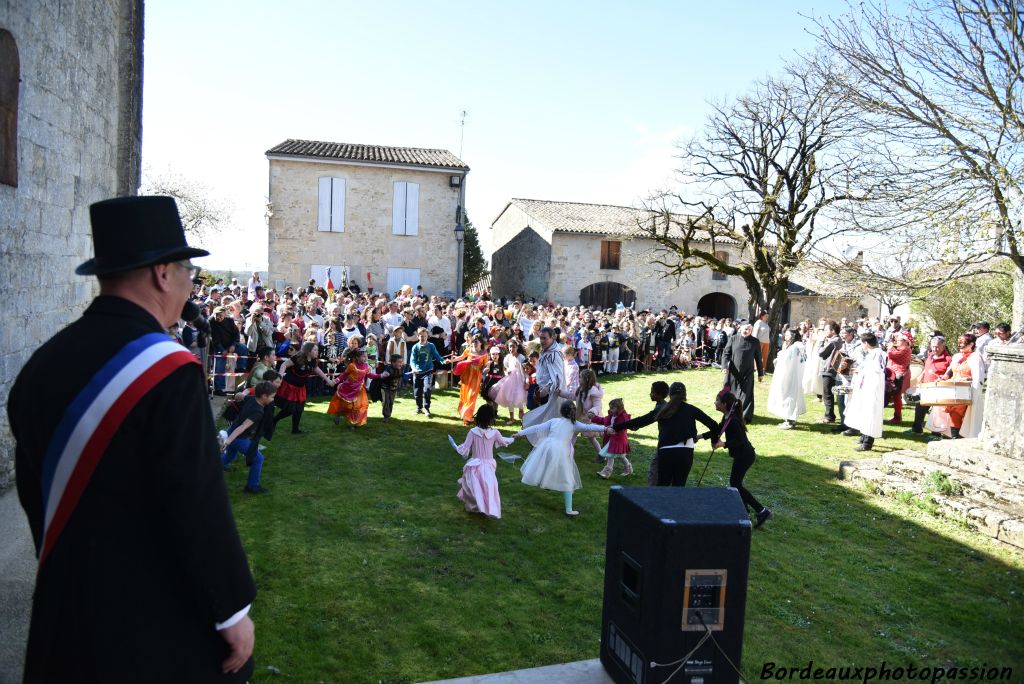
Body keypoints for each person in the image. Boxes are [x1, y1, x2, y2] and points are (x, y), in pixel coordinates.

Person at [8, 196, 256, 681]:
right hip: (147, 623)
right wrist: (230, 611)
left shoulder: (40, 365)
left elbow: (36, 497)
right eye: (189, 272)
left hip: (64, 612)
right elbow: (196, 500)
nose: (191, 286)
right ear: (163, 272)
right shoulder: (168, 370)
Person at [513, 401, 608, 516]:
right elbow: (589, 426)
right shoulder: (575, 424)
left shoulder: (554, 421)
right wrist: (605, 429)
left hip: (547, 447)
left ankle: (546, 483)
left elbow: (537, 427)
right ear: (574, 412)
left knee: (545, 467)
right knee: (567, 478)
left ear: (561, 411)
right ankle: (569, 510)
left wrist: (520, 433)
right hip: (561, 450)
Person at [614, 382, 718, 486]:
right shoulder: (691, 409)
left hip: (666, 451)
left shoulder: (663, 409)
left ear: (670, 394)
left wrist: (616, 427)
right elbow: (714, 426)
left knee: (663, 487)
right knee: (679, 486)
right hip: (685, 451)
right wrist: (713, 440)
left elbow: (641, 420)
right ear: (684, 395)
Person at [700, 391, 772, 527]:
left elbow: (740, 441)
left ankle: (761, 511)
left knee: (735, 483)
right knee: (735, 483)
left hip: (745, 456)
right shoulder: (727, 417)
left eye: (717, 400)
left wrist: (723, 444)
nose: (715, 403)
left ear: (724, 404)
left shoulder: (733, 421)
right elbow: (717, 430)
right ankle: (746, 511)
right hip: (742, 455)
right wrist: (698, 437)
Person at [453, 404, 516, 519]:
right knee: (488, 486)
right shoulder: (494, 432)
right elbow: (503, 442)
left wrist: (458, 449)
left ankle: (475, 506)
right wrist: (512, 439)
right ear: (491, 418)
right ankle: (483, 506)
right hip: (487, 465)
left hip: (475, 464)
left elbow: (465, 448)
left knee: (473, 486)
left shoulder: (472, 432)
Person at [221, 381, 278, 494]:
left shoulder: (251, 399)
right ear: (264, 396)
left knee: (230, 456)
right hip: (238, 437)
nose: (272, 400)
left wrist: (239, 395)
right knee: (258, 459)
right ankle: (252, 486)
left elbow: (239, 397)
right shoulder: (258, 411)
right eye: (272, 397)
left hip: (231, 430)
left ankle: (211, 466)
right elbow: (243, 427)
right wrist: (227, 441)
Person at [930, 333, 986, 439]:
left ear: (971, 344)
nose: (960, 346)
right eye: (959, 343)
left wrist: (968, 379)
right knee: (952, 413)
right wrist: (943, 378)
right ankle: (952, 437)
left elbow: (978, 377)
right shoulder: (957, 356)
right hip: (953, 390)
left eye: (963, 343)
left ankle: (957, 438)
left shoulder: (976, 357)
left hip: (967, 391)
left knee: (958, 414)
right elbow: (950, 371)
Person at [275, 342, 337, 434]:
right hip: (290, 385)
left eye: (317, 350)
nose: (317, 352)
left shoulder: (313, 361)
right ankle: (274, 420)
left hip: (300, 387)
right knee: (290, 409)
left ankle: (295, 429)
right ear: (308, 351)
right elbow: (284, 365)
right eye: (315, 350)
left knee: (299, 409)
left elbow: (318, 371)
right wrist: (280, 377)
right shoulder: (298, 357)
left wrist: (328, 381)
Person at [520, 327, 569, 441]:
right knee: (545, 420)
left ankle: (551, 445)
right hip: (544, 391)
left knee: (551, 421)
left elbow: (557, 377)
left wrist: (546, 389)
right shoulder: (547, 350)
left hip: (552, 393)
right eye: (541, 338)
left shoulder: (554, 354)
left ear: (553, 338)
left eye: (544, 338)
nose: (542, 340)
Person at [843, 333, 886, 452]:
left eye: (863, 343)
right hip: (867, 386)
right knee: (864, 412)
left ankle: (868, 442)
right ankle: (863, 436)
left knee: (870, 413)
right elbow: (868, 368)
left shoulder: (877, 353)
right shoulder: (874, 353)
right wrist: (860, 370)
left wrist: (862, 372)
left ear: (866, 343)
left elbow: (875, 371)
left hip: (872, 387)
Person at [722, 322, 764, 423]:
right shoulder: (733, 338)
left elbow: (758, 358)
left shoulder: (755, 342)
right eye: (745, 329)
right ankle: (730, 413)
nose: (747, 331)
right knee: (731, 393)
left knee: (746, 394)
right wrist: (724, 366)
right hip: (733, 372)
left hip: (748, 372)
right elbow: (726, 353)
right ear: (740, 329)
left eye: (749, 329)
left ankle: (744, 416)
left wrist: (760, 373)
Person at [327, 348, 380, 428]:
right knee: (347, 406)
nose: (366, 358)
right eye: (363, 356)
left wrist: (380, 376)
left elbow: (370, 375)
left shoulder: (366, 366)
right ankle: (338, 414)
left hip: (359, 390)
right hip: (349, 389)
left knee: (360, 405)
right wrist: (335, 381)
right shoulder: (352, 366)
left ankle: (352, 422)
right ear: (357, 357)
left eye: (366, 356)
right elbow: (344, 375)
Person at [909, 335, 952, 435]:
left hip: (939, 389)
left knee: (937, 412)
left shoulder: (948, 359)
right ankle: (917, 430)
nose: (934, 349)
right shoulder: (930, 355)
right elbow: (926, 370)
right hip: (926, 387)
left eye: (937, 346)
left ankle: (936, 433)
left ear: (943, 346)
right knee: (920, 407)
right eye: (933, 346)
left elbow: (950, 374)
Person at [767, 328, 807, 429]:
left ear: (793, 336)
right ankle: (788, 419)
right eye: (786, 335)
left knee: (789, 397)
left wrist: (782, 353)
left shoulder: (794, 347)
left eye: (788, 335)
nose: (785, 337)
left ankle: (790, 421)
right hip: (791, 375)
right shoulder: (796, 346)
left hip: (789, 376)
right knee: (788, 396)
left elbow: (785, 361)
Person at [589, 398, 634, 479]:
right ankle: (628, 468)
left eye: (612, 408)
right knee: (620, 456)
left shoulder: (623, 417)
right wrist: (594, 417)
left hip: (619, 440)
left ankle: (606, 472)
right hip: (613, 439)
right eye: (610, 407)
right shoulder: (612, 416)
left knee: (611, 455)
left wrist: (613, 428)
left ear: (619, 408)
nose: (610, 409)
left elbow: (624, 426)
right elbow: (604, 420)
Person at [409, 327, 446, 417]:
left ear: (427, 336)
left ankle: (426, 408)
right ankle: (419, 408)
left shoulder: (431, 346)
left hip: (428, 371)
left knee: (427, 389)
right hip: (417, 372)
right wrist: (414, 368)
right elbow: (412, 361)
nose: (423, 338)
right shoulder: (415, 347)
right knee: (417, 392)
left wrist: (443, 361)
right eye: (421, 336)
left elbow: (437, 356)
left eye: (425, 336)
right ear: (418, 336)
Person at [452, 336, 489, 423]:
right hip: (466, 375)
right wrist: (451, 361)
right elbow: (461, 357)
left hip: (476, 377)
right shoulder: (468, 350)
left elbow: (486, 365)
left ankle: (467, 415)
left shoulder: (484, 354)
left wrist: (485, 369)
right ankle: (465, 414)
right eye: (473, 341)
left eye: (477, 341)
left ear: (481, 343)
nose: (475, 343)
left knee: (472, 396)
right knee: (464, 395)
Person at [492, 339, 528, 422]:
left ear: (517, 347)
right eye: (510, 347)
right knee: (510, 397)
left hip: (520, 379)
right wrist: (506, 372)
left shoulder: (521, 357)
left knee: (519, 396)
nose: (511, 349)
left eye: (513, 347)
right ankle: (511, 418)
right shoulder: (507, 357)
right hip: (510, 380)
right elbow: (505, 368)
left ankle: (521, 412)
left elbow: (524, 369)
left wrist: (525, 380)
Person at [378, 354, 405, 422]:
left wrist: (411, 373)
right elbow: (384, 374)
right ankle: (386, 416)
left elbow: (403, 375)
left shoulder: (401, 368)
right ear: (393, 362)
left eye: (401, 362)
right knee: (386, 401)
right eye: (399, 362)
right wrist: (385, 374)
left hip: (394, 388)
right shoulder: (388, 368)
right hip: (385, 388)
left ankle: (388, 414)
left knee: (391, 402)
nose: (401, 364)